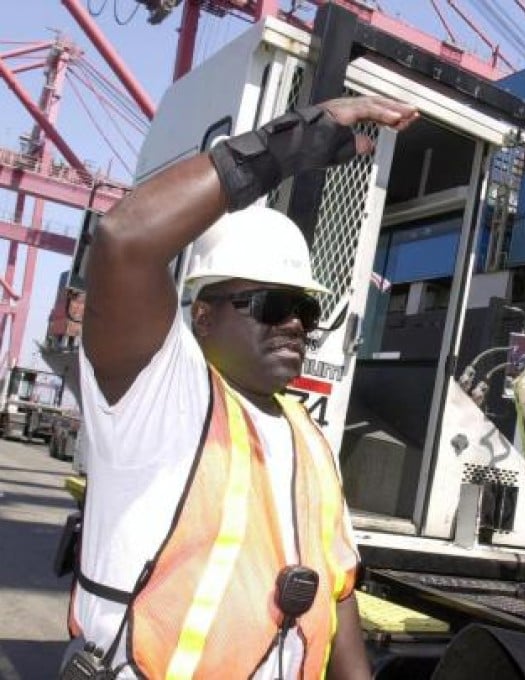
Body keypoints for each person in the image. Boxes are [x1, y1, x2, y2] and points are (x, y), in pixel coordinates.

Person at [65, 95, 418, 679]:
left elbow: (336, 590)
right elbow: (126, 238)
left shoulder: (307, 436)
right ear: (203, 315)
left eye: (305, 308)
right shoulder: (159, 391)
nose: (295, 324)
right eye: (271, 304)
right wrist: (295, 142)